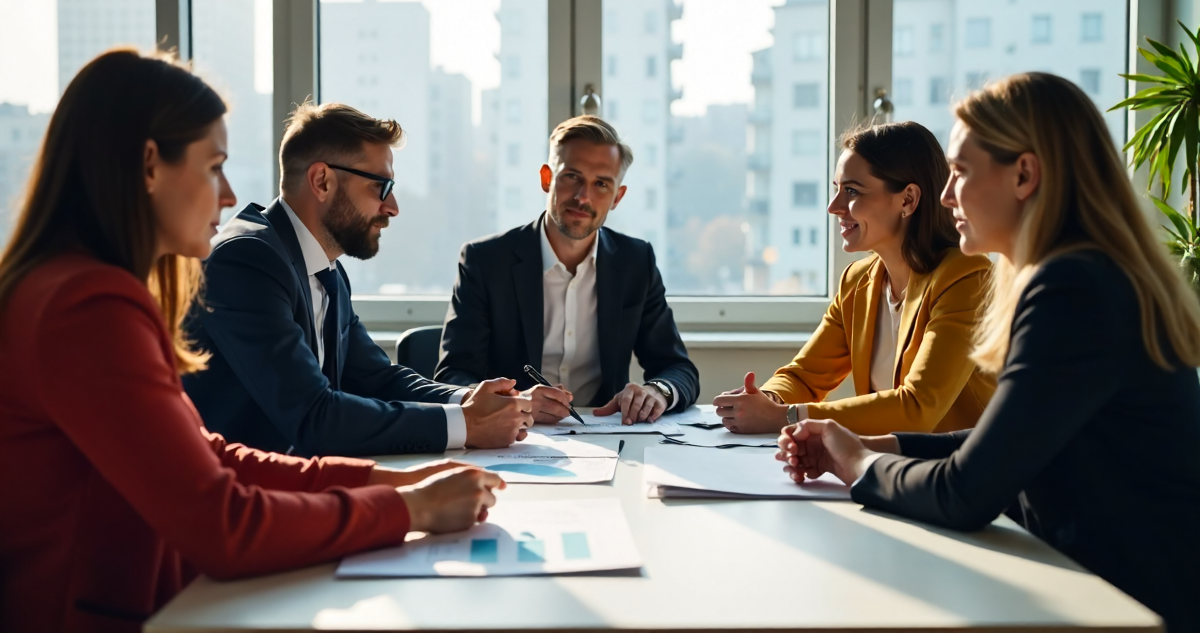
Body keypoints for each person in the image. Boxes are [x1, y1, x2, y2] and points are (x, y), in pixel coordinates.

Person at [0, 50, 504, 633]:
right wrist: (408, 508)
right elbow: (222, 523)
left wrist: (393, 481)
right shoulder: (86, 309)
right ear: (148, 166)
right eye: (214, 166)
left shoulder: (77, 289)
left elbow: (212, 455)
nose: (228, 193)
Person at [778, 73, 1200, 631]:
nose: (946, 196)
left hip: (1130, 603)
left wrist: (857, 463)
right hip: (1088, 581)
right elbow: (1005, 440)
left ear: (1024, 174)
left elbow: (965, 492)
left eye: (960, 173)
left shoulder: (1073, 290)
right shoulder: (1080, 276)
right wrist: (872, 444)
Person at [182, 101, 533, 456]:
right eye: (381, 187)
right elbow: (313, 416)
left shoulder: (325, 267)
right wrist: (467, 424)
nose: (393, 205)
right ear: (322, 181)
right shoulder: (247, 260)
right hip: (238, 495)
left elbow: (377, 378)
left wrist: (473, 400)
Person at [714, 122, 995, 435]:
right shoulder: (857, 281)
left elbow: (919, 408)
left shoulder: (967, 278)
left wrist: (786, 416)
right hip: (891, 462)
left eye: (851, 191)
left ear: (908, 200)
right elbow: (805, 376)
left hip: (965, 473)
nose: (833, 207)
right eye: (836, 189)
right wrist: (766, 399)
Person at [435, 115, 699, 425]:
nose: (583, 197)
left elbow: (678, 369)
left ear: (617, 197)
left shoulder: (635, 262)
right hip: (513, 436)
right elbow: (452, 376)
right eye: (572, 176)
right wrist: (516, 401)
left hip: (607, 434)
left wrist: (658, 391)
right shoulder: (484, 261)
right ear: (547, 178)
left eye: (601, 183)